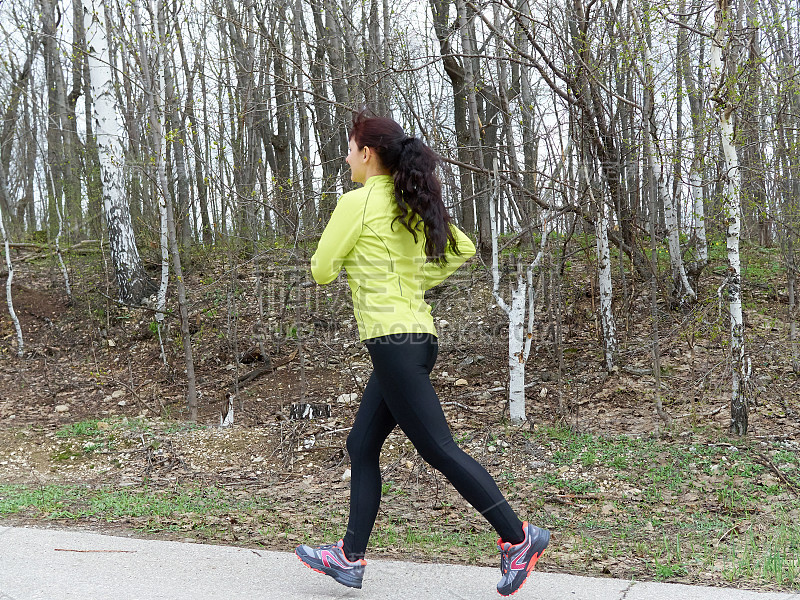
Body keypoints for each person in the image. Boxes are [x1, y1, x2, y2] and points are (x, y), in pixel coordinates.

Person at [295, 112, 549, 597]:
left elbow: (323, 270)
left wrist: (367, 270)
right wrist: (413, 280)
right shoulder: (413, 198)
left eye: (349, 148)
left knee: (437, 447)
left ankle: (518, 538)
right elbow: (463, 247)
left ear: (367, 154)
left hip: (393, 344)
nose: (346, 157)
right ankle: (349, 558)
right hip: (417, 340)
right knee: (362, 445)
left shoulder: (357, 203)